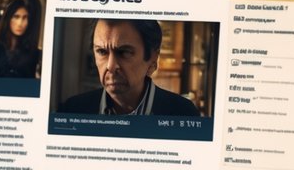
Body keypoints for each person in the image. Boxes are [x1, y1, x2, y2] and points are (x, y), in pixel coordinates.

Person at [59, 19, 199, 116]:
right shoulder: (72, 109)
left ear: (152, 59)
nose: (111, 66)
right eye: (102, 52)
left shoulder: (183, 113)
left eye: (124, 52)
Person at [0, 0, 41, 78]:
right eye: (16, 17)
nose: (20, 23)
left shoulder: (31, 50)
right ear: (8, 18)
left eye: (25, 17)